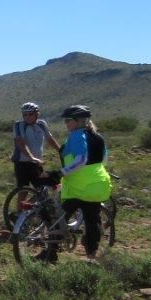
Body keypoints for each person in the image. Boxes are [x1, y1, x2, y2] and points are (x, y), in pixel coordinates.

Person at [39, 105, 113, 263]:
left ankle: (51, 253)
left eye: (68, 120)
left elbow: (81, 160)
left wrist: (60, 173)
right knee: (92, 221)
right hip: (98, 185)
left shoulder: (76, 136)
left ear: (79, 121)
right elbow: (104, 160)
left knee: (58, 219)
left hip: (79, 187)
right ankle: (91, 258)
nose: (66, 123)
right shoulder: (98, 137)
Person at [12, 102, 61, 212]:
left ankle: (34, 211)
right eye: (25, 115)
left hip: (36, 163)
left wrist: (61, 150)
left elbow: (50, 139)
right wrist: (31, 157)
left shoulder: (41, 124)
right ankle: (19, 215)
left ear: (37, 114)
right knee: (23, 190)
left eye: (30, 114)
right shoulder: (18, 125)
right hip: (22, 163)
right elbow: (21, 143)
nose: (27, 117)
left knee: (42, 190)